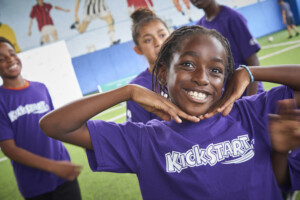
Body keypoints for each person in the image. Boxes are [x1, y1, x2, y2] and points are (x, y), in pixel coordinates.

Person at [39, 25, 300, 199]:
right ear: (163, 73)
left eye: (216, 70)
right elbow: (55, 125)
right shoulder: (145, 140)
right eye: (188, 64)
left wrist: (251, 71)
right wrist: (126, 92)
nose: (201, 78)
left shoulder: (251, 112)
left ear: (226, 79)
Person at [0, 37, 82, 200]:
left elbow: (56, 128)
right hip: (35, 186)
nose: (10, 60)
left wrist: (83, 142)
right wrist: (53, 167)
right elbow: (9, 149)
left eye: (12, 53)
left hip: (64, 177)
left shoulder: (40, 88)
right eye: (2, 58)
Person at [190, 0, 264, 97]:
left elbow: (253, 63)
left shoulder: (232, 18)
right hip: (226, 101)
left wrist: (250, 100)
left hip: (248, 95)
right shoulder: (200, 27)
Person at [126, 8, 170, 123]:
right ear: (138, 50)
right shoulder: (138, 88)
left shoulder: (194, 71)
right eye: (148, 40)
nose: (158, 43)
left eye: (162, 35)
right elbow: (138, 135)